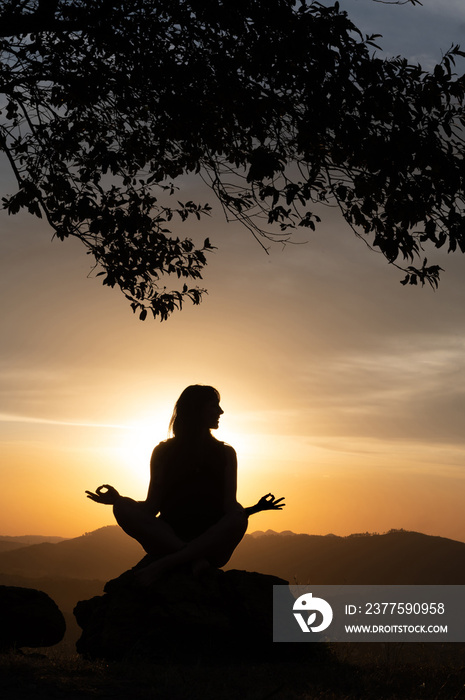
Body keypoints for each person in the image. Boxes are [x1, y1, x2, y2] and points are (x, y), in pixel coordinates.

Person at [85, 385, 285, 584]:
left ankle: (166, 563)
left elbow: (230, 509)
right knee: (122, 506)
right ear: (196, 410)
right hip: (169, 539)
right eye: (214, 406)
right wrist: (117, 501)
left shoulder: (226, 454)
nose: (221, 412)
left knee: (239, 517)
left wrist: (254, 509)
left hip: (212, 544)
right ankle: (194, 559)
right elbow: (150, 507)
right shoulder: (162, 452)